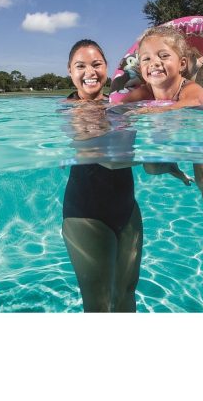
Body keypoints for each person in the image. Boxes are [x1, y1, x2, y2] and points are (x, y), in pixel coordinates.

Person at [118, 25, 203, 262]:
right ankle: (174, 168)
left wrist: (153, 112)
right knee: (150, 167)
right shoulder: (145, 92)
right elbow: (117, 109)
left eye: (163, 55)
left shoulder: (190, 87)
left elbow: (193, 102)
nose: (154, 63)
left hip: (196, 133)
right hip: (167, 133)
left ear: (182, 64)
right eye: (146, 58)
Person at [61, 39, 142, 312]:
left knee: (126, 292)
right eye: (80, 66)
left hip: (127, 209)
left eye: (96, 64)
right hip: (86, 214)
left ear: (107, 67)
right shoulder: (69, 109)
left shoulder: (119, 103)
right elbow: (106, 159)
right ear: (70, 71)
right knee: (98, 305)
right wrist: (152, 158)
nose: (90, 72)